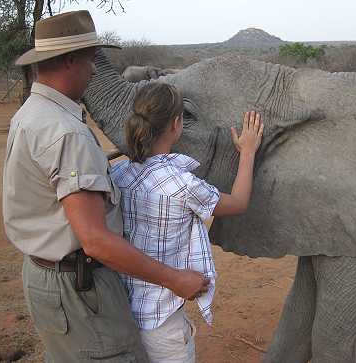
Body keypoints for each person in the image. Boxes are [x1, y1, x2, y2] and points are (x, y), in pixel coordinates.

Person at [2, 10, 209, 363]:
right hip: (80, 289)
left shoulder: (31, 113)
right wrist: (174, 279)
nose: (94, 70)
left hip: (46, 276)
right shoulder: (66, 134)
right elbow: (96, 240)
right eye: (88, 60)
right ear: (69, 61)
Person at [109, 82, 264, 363]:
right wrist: (248, 151)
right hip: (163, 322)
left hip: (121, 314)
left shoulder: (119, 172)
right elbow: (239, 202)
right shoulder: (182, 184)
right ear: (176, 124)